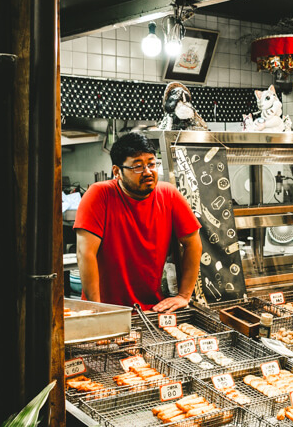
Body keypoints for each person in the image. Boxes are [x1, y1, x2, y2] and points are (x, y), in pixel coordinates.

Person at [74, 132, 202, 312]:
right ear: (117, 171)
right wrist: (98, 310)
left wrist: (183, 295)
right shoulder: (99, 195)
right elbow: (85, 253)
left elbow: (193, 243)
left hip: (152, 309)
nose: (148, 172)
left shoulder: (169, 194)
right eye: (137, 166)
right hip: (107, 308)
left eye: (151, 163)